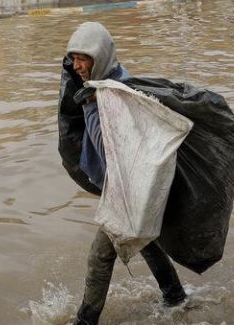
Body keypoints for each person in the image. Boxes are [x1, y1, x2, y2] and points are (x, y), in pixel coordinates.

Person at [64, 22, 187, 325]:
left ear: (100, 56)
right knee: (146, 243)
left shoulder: (118, 91)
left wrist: (95, 104)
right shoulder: (99, 84)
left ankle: (85, 320)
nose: (77, 66)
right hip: (127, 187)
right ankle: (176, 299)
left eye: (84, 58)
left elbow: (119, 148)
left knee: (99, 258)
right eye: (73, 58)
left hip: (130, 189)